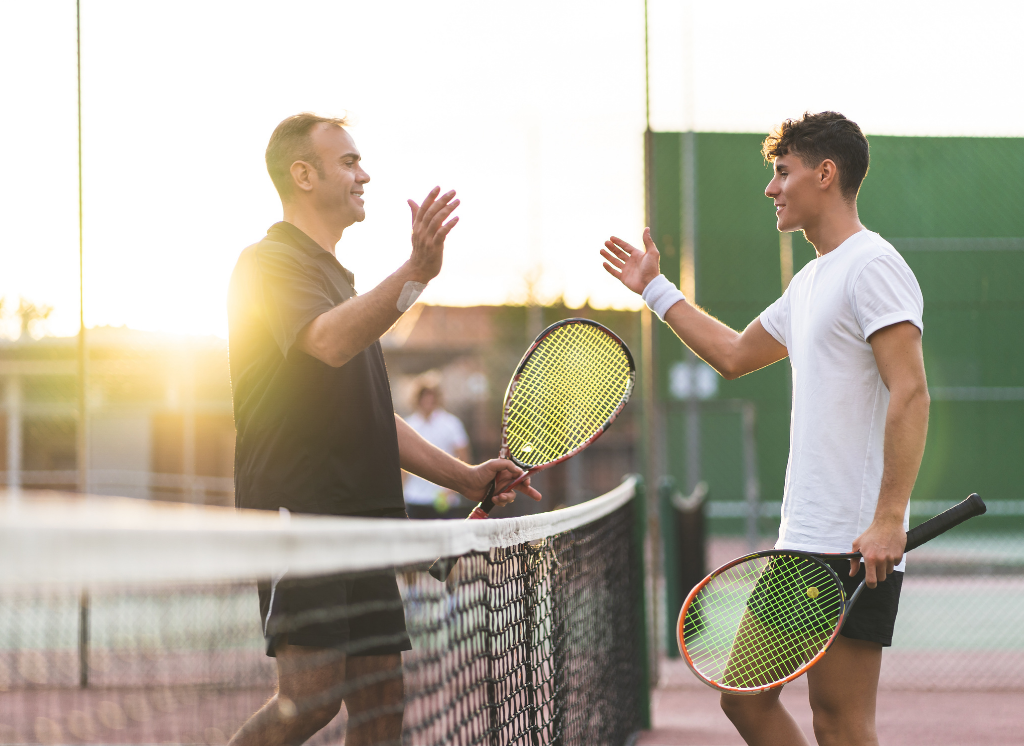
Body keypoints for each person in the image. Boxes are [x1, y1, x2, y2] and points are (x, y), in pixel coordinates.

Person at [601, 111, 928, 746]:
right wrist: (654, 288)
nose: (771, 189)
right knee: (743, 700)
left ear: (825, 175)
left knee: (840, 722)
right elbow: (732, 354)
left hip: (850, 545)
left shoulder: (873, 266)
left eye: (783, 173)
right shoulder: (809, 281)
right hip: (799, 539)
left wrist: (889, 518)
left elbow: (911, 393)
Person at [227, 112, 541, 746]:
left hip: (366, 521)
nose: (363, 174)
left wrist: (468, 476)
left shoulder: (338, 279)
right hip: (304, 515)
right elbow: (329, 343)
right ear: (303, 174)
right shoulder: (268, 263)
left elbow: (373, 417)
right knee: (308, 703)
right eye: (348, 162)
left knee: (380, 704)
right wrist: (417, 272)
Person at [403, 380, 472, 518]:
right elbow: (402, 464)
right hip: (414, 499)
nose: (428, 400)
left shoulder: (452, 424)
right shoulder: (408, 424)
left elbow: (464, 460)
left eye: (432, 396)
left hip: (445, 501)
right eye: (424, 396)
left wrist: (451, 490)